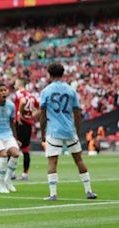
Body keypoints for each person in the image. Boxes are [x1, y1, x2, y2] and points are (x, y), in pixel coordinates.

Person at [40, 63, 97, 201]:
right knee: (79, 159)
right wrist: (77, 131)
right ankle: (89, 191)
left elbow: (43, 114)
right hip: (69, 130)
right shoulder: (71, 91)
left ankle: (53, 194)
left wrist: (43, 133)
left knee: (52, 161)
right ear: (63, 73)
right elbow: (77, 113)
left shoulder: (46, 91)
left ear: (49, 74)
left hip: (54, 131)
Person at [12, 77, 39, 180]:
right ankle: (25, 174)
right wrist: (33, 116)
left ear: (19, 83)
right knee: (26, 149)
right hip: (28, 123)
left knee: (14, 147)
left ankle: (12, 173)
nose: (14, 85)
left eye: (15, 82)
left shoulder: (20, 93)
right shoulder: (31, 95)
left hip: (19, 123)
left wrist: (19, 113)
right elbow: (39, 107)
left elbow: (22, 102)